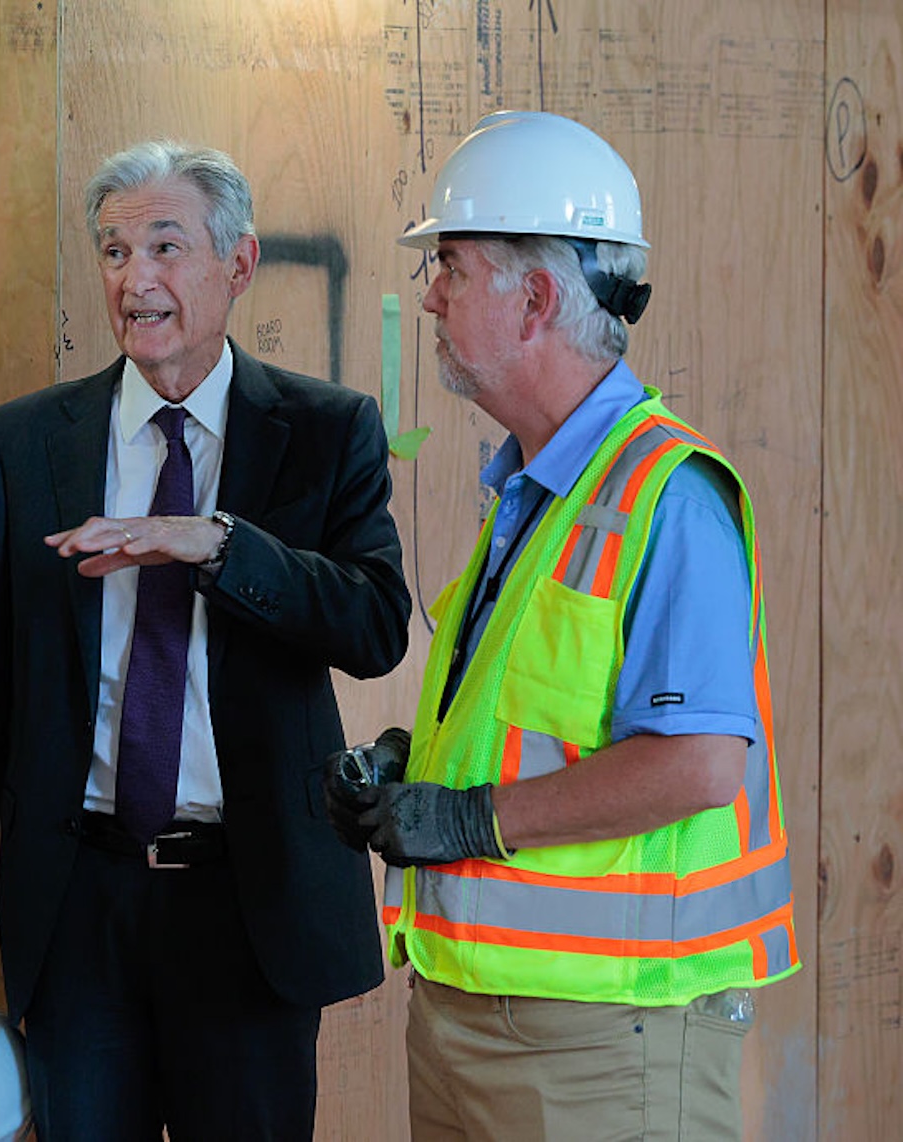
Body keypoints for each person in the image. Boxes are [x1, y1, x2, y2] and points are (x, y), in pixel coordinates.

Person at [0, 140, 412, 1140]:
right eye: (113, 251)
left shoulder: (325, 429)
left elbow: (374, 624)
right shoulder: (25, 440)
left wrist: (220, 545)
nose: (135, 279)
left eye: (165, 247)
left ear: (239, 263)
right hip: (78, 900)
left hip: (250, 902)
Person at [327, 111, 799, 1141]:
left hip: (610, 1042)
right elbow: (537, 720)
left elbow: (698, 765)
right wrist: (419, 774)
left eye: (452, 267)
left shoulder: (668, 496)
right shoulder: (540, 493)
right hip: (471, 1016)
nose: (431, 295)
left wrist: (465, 820)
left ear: (536, 298)